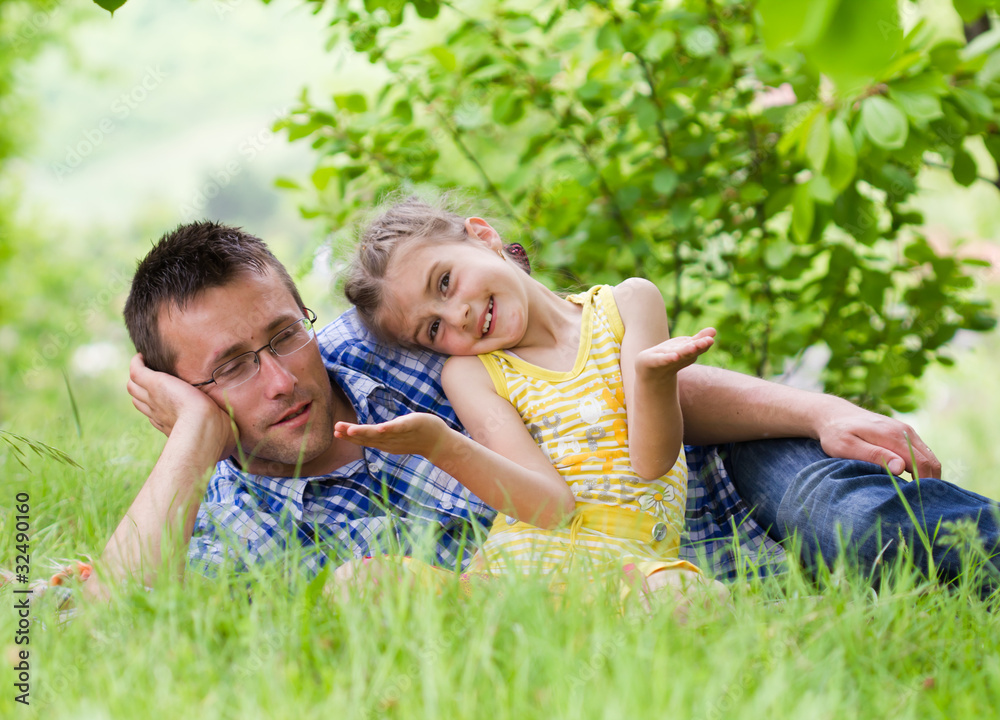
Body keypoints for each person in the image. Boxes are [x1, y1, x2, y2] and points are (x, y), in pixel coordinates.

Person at [73, 219, 997, 602]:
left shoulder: (389, 351)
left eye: (283, 335)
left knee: (867, 526)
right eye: (232, 368)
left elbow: (619, 387)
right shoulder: (233, 526)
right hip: (671, 591)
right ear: (181, 387)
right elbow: (111, 613)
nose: (281, 378)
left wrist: (816, 408)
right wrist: (197, 440)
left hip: (723, 480)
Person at [334, 196, 726, 606]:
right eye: (433, 328)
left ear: (484, 237)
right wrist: (439, 445)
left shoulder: (626, 305)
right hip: (510, 586)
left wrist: (654, 377)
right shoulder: (473, 373)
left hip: (625, 580)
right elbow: (549, 509)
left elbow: (651, 462)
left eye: (444, 282)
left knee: (691, 600)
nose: (457, 317)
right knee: (357, 581)